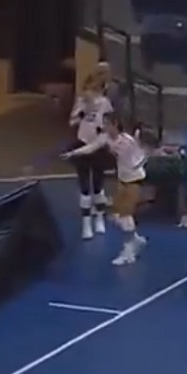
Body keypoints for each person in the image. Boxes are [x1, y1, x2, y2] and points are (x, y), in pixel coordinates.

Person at [64, 72, 115, 239]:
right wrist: (82, 112)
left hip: (98, 146)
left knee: (98, 185)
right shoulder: (81, 102)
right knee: (84, 186)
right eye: (88, 89)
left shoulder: (105, 104)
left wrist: (104, 135)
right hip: (82, 142)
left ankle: (99, 218)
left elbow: (109, 123)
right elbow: (72, 122)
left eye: (93, 90)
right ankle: (86, 224)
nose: (89, 93)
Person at [102, 114, 148, 266]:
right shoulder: (108, 139)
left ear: (115, 124)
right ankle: (134, 238)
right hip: (122, 179)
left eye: (107, 124)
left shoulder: (128, 141)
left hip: (134, 180)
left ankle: (129, 253)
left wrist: (134, 165)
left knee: (125, 216)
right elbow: (94, 146)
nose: (104, 127)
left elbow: (142, 156)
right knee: (115, 215)